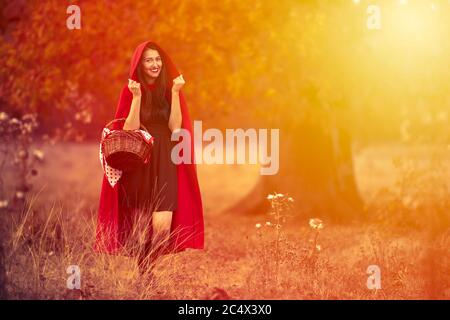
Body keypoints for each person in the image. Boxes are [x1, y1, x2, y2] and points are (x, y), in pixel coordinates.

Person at [94, 41, 204, 276]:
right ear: (139, 64)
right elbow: (129, 129)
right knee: (140, 227)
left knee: (163, 228)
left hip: (165, 157)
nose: (155, 64)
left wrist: (175, 93)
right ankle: (144, 274)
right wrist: (136, 98)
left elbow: (176, 129)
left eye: (157, 59)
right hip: (139, 158)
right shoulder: (130, 90)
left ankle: (146, 266)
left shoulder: (169, 89)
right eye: (148, 60)